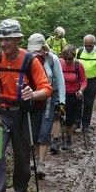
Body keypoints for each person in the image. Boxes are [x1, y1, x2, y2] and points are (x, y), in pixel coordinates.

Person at [0, 21, 51, 192]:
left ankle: (21, 189)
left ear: (18, 40)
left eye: (7, 39)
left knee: (22, 157)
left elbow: (46, 89)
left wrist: (34, 93)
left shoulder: (31, 61)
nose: (3, 43)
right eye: (0, 39)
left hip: (23, 114)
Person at [30, 34, 66, 179]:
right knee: (35, 131)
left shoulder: (52, 59)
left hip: (50, 99)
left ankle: (41, 163)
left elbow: (61, 81)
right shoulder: (29, 59)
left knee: (45, 131)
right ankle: (37, 158)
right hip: (33, 99)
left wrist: (62, 102)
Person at [60, 44, 87, 150]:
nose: (67, 61)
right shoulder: (59, 63)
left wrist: (81, 91)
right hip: (61, 94)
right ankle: (56, 140)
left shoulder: (78, 65)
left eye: (70, 59)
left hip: (74, 94)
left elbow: (84, 81)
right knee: (57, 117)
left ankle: (68, 139)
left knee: (70, 119)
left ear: (74, 57)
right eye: (65, 58)